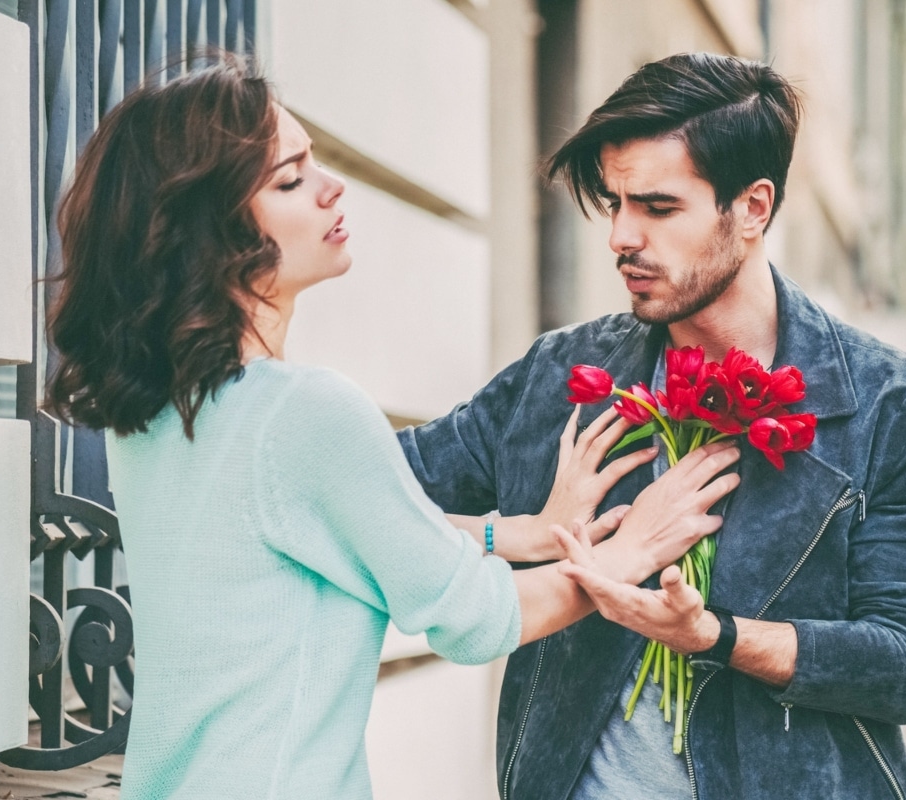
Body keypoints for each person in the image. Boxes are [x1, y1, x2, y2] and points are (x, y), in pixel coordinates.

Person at [44, 59, 741, 800]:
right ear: (210, 232)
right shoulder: (305, 412)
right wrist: (630, 553)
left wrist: (518, 534)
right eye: (290, 180)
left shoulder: (158, 411)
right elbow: (474, 620)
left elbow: (328, 533)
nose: (331, 186)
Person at [398, 52, 906, 799]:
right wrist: (516, 535)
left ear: (753, 208)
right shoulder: (559, 378)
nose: (621, 236)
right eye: (614, 203)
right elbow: (364, 501)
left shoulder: (892, 402)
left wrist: (716, 637)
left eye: (658, 208)